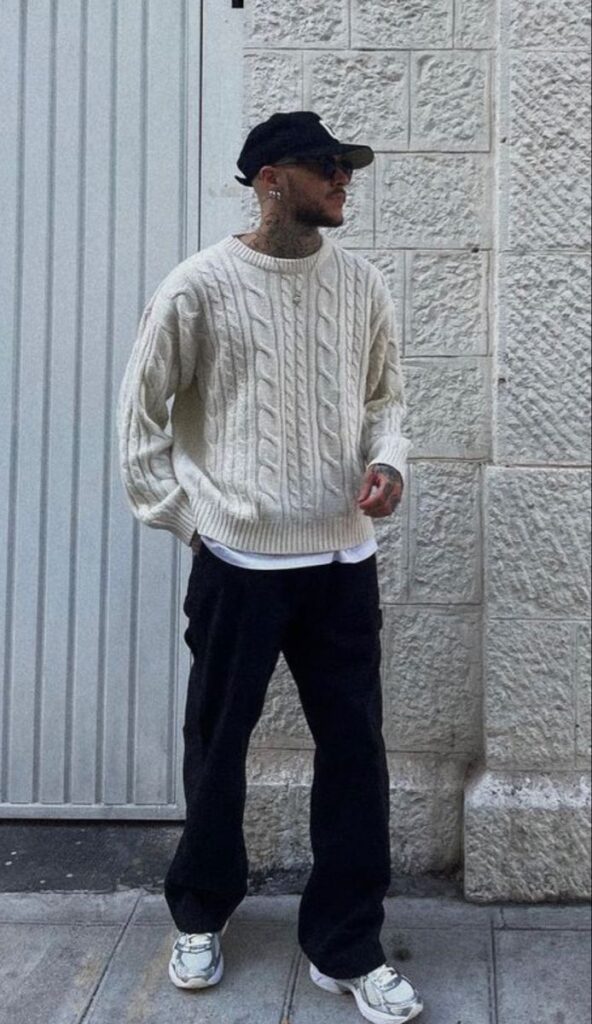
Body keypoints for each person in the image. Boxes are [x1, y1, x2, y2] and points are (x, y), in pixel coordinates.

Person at [117, 111, 423, 1024]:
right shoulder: (198, 288)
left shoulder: (361, 283)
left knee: (355, 756)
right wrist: (194, 523)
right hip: (238, 569)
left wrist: (391, 461)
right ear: (268, 179)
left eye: (346, 167)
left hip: (340, 561)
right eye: (325, 167)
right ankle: (201, 913)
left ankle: (348, 946)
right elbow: (141, 430)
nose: (343, 180)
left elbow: (386, 397)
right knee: (218, 750)